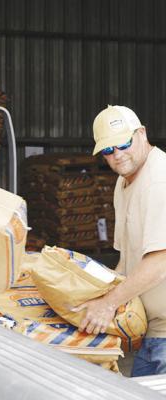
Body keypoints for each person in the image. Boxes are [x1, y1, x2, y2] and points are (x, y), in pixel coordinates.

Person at [73, 105, 166, 377]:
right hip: (152, 332)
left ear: (142, 134)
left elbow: (160, 261)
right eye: (108, 150)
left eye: (124, 144)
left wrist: (108, 304)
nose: (118, 155)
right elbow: (127, 260)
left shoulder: (158, 181)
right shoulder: (124, 182)